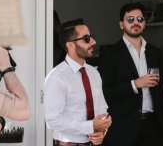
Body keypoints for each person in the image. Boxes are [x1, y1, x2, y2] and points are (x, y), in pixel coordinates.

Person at [98, 2, 163, 146]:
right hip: (122, 127)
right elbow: (104, 93)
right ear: (121, 25)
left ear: (144, 23)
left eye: (140, 19)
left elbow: (161, 92)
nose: (135, 23)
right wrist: (135, 84)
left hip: (152, 125)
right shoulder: (110, 54)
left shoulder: (155, 52)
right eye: (130, 19)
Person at [44, 18, 112, 146]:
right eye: (86, 38)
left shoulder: (94, 73)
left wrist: (102, 130)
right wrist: (90, 126)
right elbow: (53, 120)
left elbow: (102, 109)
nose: (93, 42)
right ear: (70, 45)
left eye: (91, 36)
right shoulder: (57, 77)